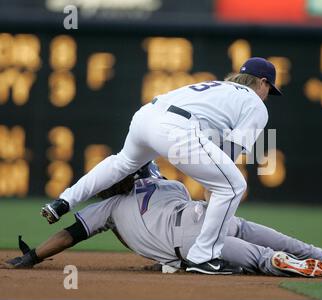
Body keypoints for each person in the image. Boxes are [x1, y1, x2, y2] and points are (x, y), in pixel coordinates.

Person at [40, 57, 283, 274]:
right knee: (233, 186)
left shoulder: (217, 87)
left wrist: (214, 178)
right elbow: (231, 153)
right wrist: (216, 189)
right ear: (262, 82)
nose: (266, 96)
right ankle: (203, 256)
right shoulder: (255, 104)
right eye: (268, 90)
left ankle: (62, 202)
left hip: (146, 115)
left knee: (122, 163)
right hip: (175, 129)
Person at [4, 162, 322, 277]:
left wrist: (33, 256)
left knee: (258, 260)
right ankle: (317, 254)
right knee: (245, 227)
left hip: (190, 244)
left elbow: (69, 235)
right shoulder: (171, 183)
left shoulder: (110, 208)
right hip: (204, 216)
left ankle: (275, 261)